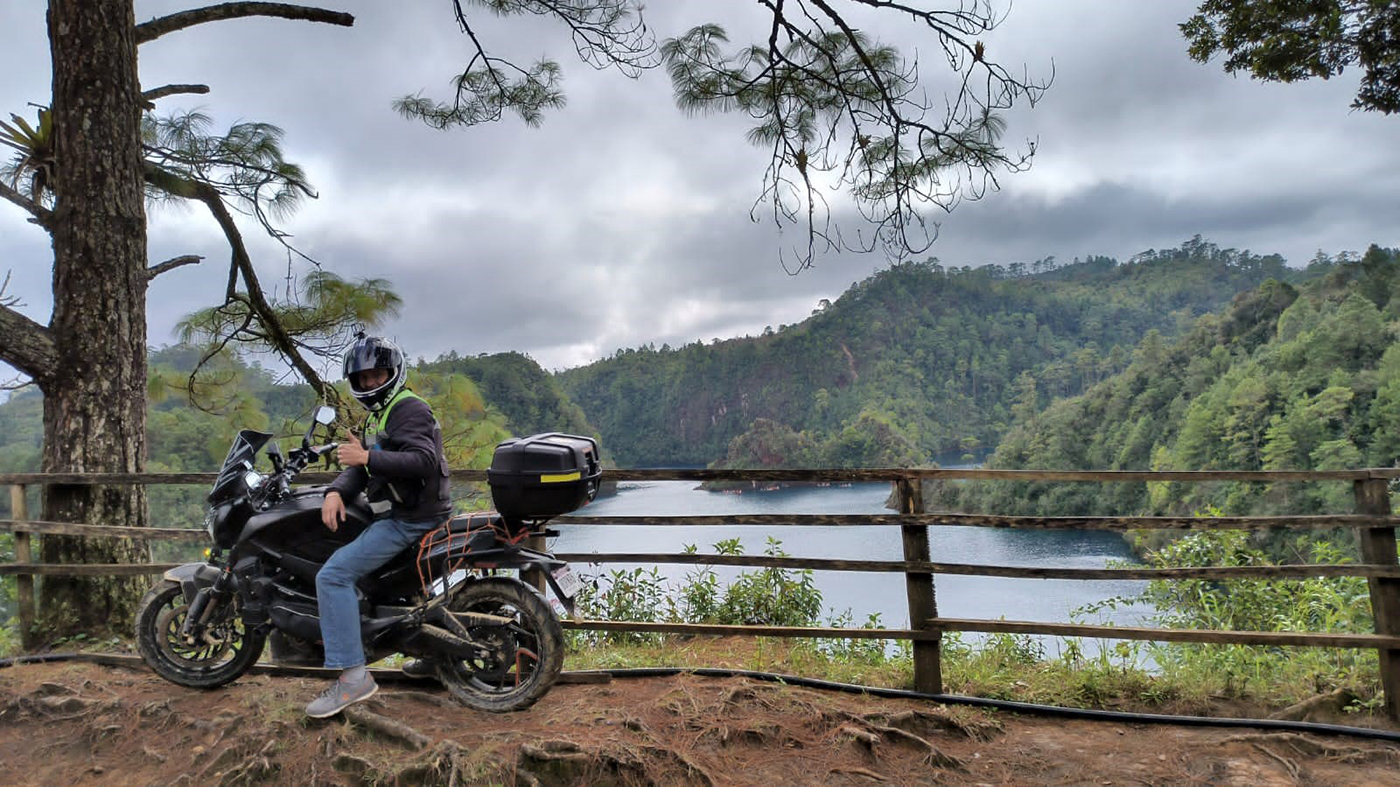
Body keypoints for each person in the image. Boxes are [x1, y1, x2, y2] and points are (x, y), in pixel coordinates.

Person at [305, 332, 452, 719]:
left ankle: (353, 679)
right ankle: (437, 654)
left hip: (411, 519)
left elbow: (422, 460)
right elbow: (362, 465)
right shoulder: (379, 415)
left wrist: (366, 456)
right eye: (363, 378)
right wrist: (335, 491)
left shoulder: (409, 410)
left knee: (332, 576)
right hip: (403, 513)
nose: (370, 383)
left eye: (376, 375)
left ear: (393, 372)